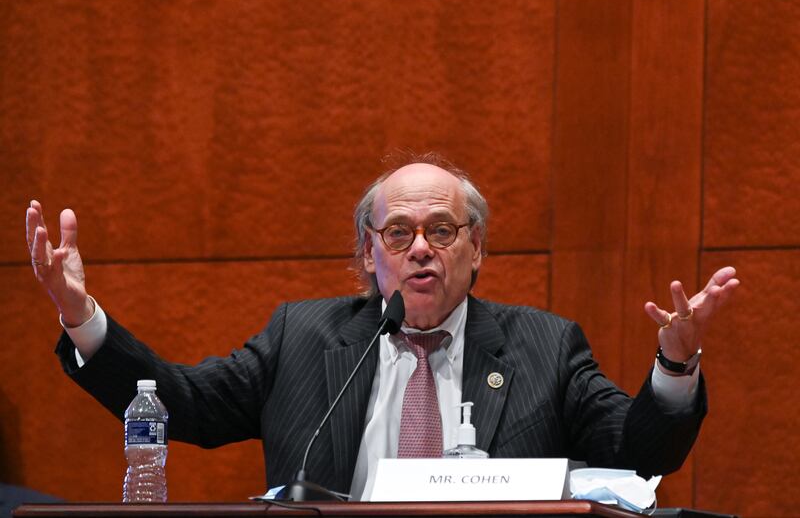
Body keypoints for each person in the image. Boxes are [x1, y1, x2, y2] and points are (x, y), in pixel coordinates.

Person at [26, 153, 739, 501]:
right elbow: (183, 403)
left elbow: (639, 451)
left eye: (441, 229)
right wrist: (79, 314)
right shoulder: (303, 338)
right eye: (397, 232)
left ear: (477, 248)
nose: (420, 247)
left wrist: (675, 365)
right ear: (368, 253)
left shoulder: (544, 347)